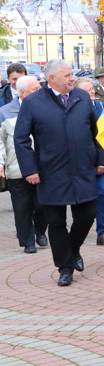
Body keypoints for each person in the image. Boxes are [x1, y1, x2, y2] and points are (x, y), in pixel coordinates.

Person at [14, 59, 104, 286]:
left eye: (71, 75)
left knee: (88, 213)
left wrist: (102, 159)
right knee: (56, 222)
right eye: (67, 75)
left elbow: (97, 131)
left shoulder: (82, 97)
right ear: (52, 79)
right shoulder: (33, 102)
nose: (72, 79)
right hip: (51, 173)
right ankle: (65, 267)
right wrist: (30, 169)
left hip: (82, 169)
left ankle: (73, 248)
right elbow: (21, 139)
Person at [0, 76, 47, 253]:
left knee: (42, 204)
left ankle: (40, 231)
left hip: (42, 166)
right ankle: (27, 241)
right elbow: (0, 141)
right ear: (22, 93)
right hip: (16, 167)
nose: (40, 91)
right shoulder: (5, 112)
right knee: (22, 207)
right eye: (35, 89)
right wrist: (0, 163)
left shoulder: (44, 109)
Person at [74, 77, 104, 247]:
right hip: (82, 162)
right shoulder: (73, 109)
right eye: (88, 89)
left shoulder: (101, 106)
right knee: (82, 199)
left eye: (92, 88)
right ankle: (78, 231)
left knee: (103, 194)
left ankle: (102, 232)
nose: (92, 91)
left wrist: (103, 160)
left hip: (102, 159)